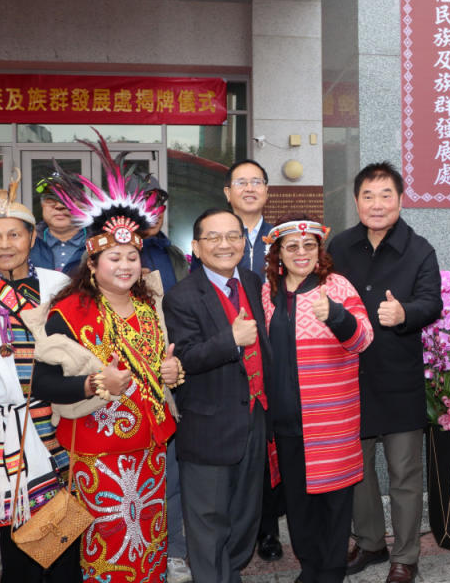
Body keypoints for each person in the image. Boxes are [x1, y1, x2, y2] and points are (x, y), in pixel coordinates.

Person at [30, 141, 180, 582]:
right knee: (105, 549)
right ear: (92, 263)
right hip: (98, 455)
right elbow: (42, 382)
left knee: (149, 543)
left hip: (151, 451)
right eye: (114, 257)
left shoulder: (151, 303)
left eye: (132, 256)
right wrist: (96, 384)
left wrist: (174, 372)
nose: (126, 265)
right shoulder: (68, 311)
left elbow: (161, 366)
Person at [0, 169, 78, 582]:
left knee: (64, 532)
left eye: (14, 235)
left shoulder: (59, 285)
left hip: (57, 420)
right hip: (6, 430)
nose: (5, 245)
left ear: (31, 237)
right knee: (19, 537)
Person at [329, 162, 442, 583]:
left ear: (400, 199)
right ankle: (372, 544)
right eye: (368, 196)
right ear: (356, 200)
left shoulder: (419, 250)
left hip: (398, 378)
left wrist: (404, 312)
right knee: (356, 471)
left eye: (386, 195)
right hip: (348, 376)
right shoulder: (338, 247)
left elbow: (432, 302)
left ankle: (406, 556)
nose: (377, 204)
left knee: (404, 474)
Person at [260, 216, 373, 583]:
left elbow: (363, 339)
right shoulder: (268, 292)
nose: (301, 253)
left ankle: (331, 571)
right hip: (286, 420)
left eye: (309, 245)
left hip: (330, 418)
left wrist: (337, 316)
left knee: (334, 502)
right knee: (298, 502)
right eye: (292, 246)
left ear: (319, 251)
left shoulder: (336, 286)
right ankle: (310, 568)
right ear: (278, 253)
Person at [163, 208, 272, 583]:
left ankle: (231, 574)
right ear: (195, 246)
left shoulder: (254, 282)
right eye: (213, 237)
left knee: (245, 518)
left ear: (244, 242)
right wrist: (232, 341)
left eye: (232, 236)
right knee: (208, 525)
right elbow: (187, 357)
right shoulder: (181, 296)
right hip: (208, 425)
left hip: (254, 418)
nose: (224, 244)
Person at [222, 159, 283, 562]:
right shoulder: (215, 234)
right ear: (227, 192)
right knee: (229, 444)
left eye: (256, 181)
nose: (248, 188)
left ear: (266, 190)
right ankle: (230, 529)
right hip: (224, 355)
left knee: (267, 445)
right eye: (240, 182)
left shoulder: (280, 239)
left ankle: (268, 530)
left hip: (271, 354)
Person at [132, 182, 192, 583]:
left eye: (160, 208)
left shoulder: (174, 255)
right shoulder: (102, 251)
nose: (154, 214)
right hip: (118, 382)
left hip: (170, 373)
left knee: (170, 470)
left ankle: (175, 553)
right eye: (146, 208)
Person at [28, 185, 86, 273]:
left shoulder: (101, 242)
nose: (59, 206)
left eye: (68, 199)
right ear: (42, 205)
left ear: (83, 205)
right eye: (51, 199)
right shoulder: (26, 243)